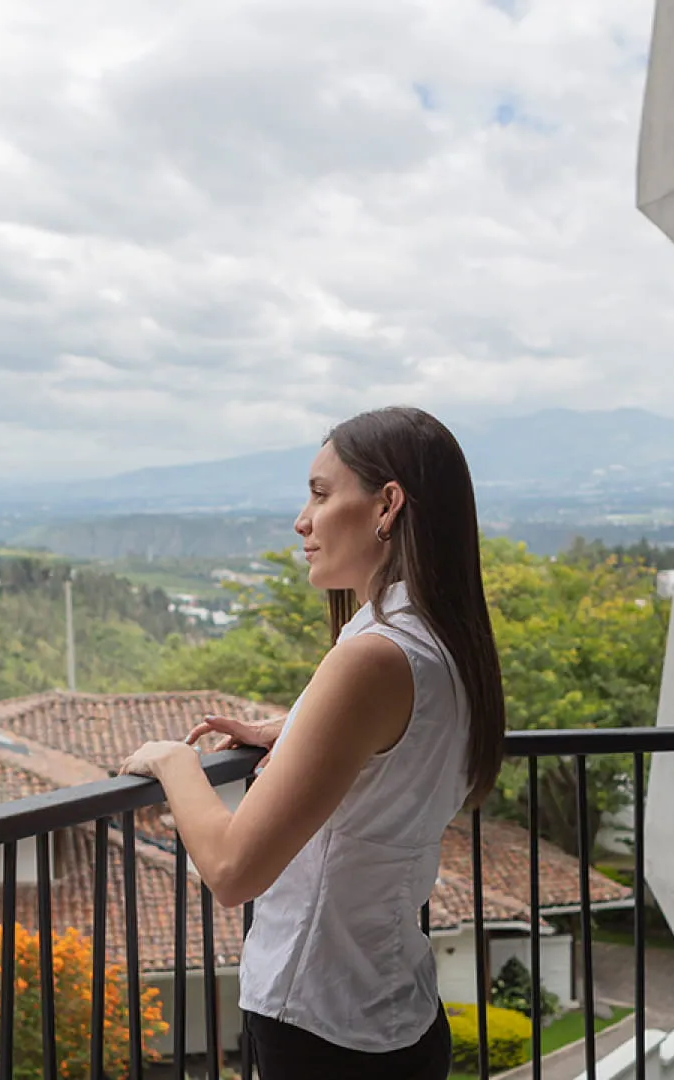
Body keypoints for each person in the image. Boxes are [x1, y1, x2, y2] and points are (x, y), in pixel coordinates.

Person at [120, 405, 506, 1080]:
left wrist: (173, 760)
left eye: (321, 494)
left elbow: (235, 870)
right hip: (395, 1014)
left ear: (387, 506)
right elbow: (398, 748)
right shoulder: (442, 640)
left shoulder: (374, 657)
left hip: (324, 1027)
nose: (302, 520)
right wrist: (299, 733)